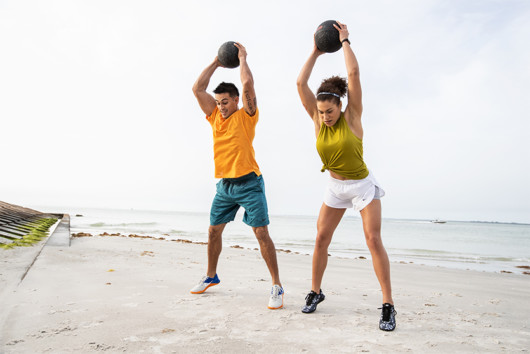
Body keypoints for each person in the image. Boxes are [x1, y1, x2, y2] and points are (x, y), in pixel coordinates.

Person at [296, 22, 396, 331]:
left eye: (329, 111)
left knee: (372, 239)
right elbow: (301, 83)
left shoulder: (352, 118)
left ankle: (388, 305)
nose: (324, 116)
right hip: (336, 187)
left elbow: (353, 76)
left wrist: (345, 41)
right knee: (321, 238)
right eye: (321, 112)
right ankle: (315, 292)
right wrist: (315, 51)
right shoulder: (317, 120)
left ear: (340, 106)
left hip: (362, 187)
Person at [190, 42, 283, 309]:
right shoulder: (214, 118)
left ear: (236, 101)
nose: (220, 107)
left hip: (250, 183)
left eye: (225, 102)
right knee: (213, 231)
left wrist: (242, 59)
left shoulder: (246, 116)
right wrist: (217, 61)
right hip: (225, 186)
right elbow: (197, 89)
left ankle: (276, 285)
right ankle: (211, 276)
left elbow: (248, 86)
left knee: (261, 233)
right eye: (218, 103)